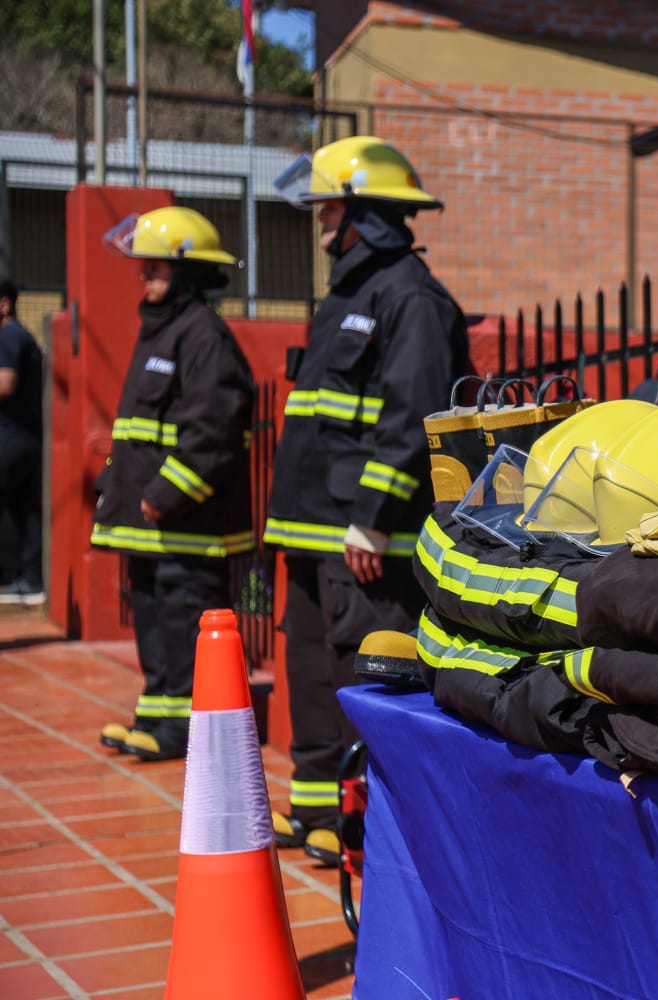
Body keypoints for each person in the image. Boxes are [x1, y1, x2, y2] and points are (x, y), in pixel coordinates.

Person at [265, 136, 473, 864]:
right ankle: (318, 807)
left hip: (361, 538)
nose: (320, 218)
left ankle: (365, 818)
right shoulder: (349, 292)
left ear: (361, 212)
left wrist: (373, 523)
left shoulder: (408, 295)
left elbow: (413, 416)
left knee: (363, 673)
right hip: (313, 529)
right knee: (312, 671)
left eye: (328, 205)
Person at [93, 207, 255, 761]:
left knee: (184, 626)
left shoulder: (203, 336)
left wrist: (164, 497)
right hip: (149, 526)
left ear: (188, 272)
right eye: (144, 268)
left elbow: (212, 431)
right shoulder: (163, 331)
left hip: (185, 525)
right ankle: (155, 716)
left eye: (157, 268)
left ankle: (181, 730)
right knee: (155, 626)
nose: (145, 277)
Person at [0, 278, 44, 606]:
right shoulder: (22, 336)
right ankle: (27, 579)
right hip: (26, 438)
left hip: (10, 438)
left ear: (4, 304)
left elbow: (5, 384)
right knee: (23, 508)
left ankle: (15, 576)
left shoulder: (8, 336)